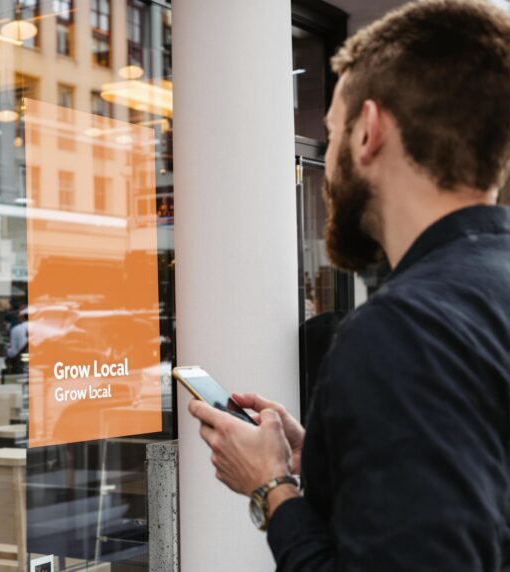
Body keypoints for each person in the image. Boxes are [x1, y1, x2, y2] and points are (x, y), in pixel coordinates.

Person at [186, 1, 510, 569]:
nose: (327, 161)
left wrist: (271, 487)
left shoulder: (404, 330)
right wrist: (333, 457)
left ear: (369, 131)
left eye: (331, 132)